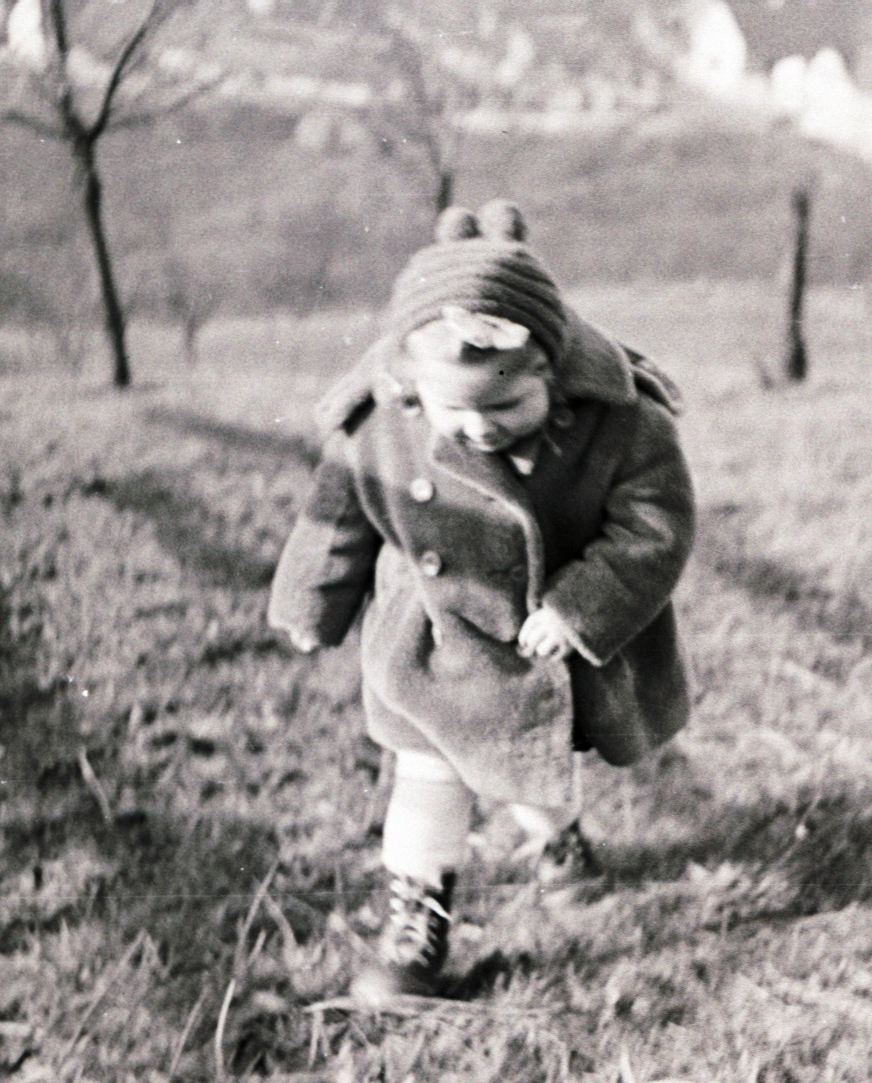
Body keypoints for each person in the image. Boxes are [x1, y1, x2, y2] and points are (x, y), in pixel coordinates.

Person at [267, 199, 696, 1001]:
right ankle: (415, 924)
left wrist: (582, 605)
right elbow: (338, 514)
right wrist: (310, 602)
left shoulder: (622, 421)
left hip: (545, 634)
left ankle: (556, 840)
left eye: (504, 407)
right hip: (432, 639)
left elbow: (655, 526)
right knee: (428, 773)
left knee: (520, 766)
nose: (478, 429)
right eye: (452, 410)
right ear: (411, 384)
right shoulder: (380, 424)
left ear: (551, 370)